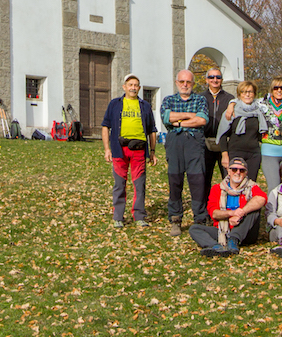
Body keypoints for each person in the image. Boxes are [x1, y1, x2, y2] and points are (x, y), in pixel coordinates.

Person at [100, 73, 158, 229]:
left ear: (139, 88)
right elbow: (106, 126)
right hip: (119, 149)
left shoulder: (145, 106)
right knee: (119, 183)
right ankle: (118, 216)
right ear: (124, 87)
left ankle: (139, 215)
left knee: (139, 184)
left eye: (136, 85)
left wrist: (152, 151)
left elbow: (152, 130)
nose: (133, 87)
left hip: (139, 150)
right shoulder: (115, 104)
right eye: (130, 84)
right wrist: (107, 149)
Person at [159, 70, 211, 236]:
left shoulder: (200, 99)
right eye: (182, 81)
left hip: (194, 143)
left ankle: (200, 219)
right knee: (175, 181)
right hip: (174, 143)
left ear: (193, 84)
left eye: (188, 82)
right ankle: (175, 218)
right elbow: (166, 117)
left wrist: (178, 121)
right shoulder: (169, 100)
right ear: (176, 83)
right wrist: (189, 116)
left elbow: (202, 119)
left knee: (197, 182)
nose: (185, 85)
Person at [190, 157, 267, 256]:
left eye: (241, 170)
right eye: (234, 169)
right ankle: (215, 247)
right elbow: (214, 213)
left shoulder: (252, 187)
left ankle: (233, 240)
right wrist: (231, 214)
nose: (238, 172)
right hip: (222, 230)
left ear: (246, 173)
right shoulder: (217, 188)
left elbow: (261, 199)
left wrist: (241, 213)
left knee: (254, 210)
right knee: (194, 229)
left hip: (244, 231)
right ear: (228, 171)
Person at [217, 80, 268, 185]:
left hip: (253, 154)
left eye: (250, 92)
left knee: (250, 185)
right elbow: (223, 135)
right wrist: (224, 155)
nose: (247, 94)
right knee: (233, 185)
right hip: (235, 152)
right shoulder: (231, 111)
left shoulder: (259, 112)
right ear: (239, 95)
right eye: (244, 92)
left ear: (254, 94)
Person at [200, 67, 235, 193]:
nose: (215, 80)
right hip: (205, 142)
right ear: (207, 80)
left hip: (224, 143)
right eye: (212, 77)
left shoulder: (229, 98)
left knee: (228, 176)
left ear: (222, 80)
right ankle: (205, 207)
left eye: (218, 77)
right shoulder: (200, 98)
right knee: (204, 177)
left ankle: (228, 203)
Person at [259, 76, 282, 191]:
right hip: (269, 152)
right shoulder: (262, 105)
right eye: (276, 88)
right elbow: (244, 101)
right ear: (271, 90)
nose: (279, 90)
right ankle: (272, 209)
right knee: (274, 187)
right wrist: (232, 104)